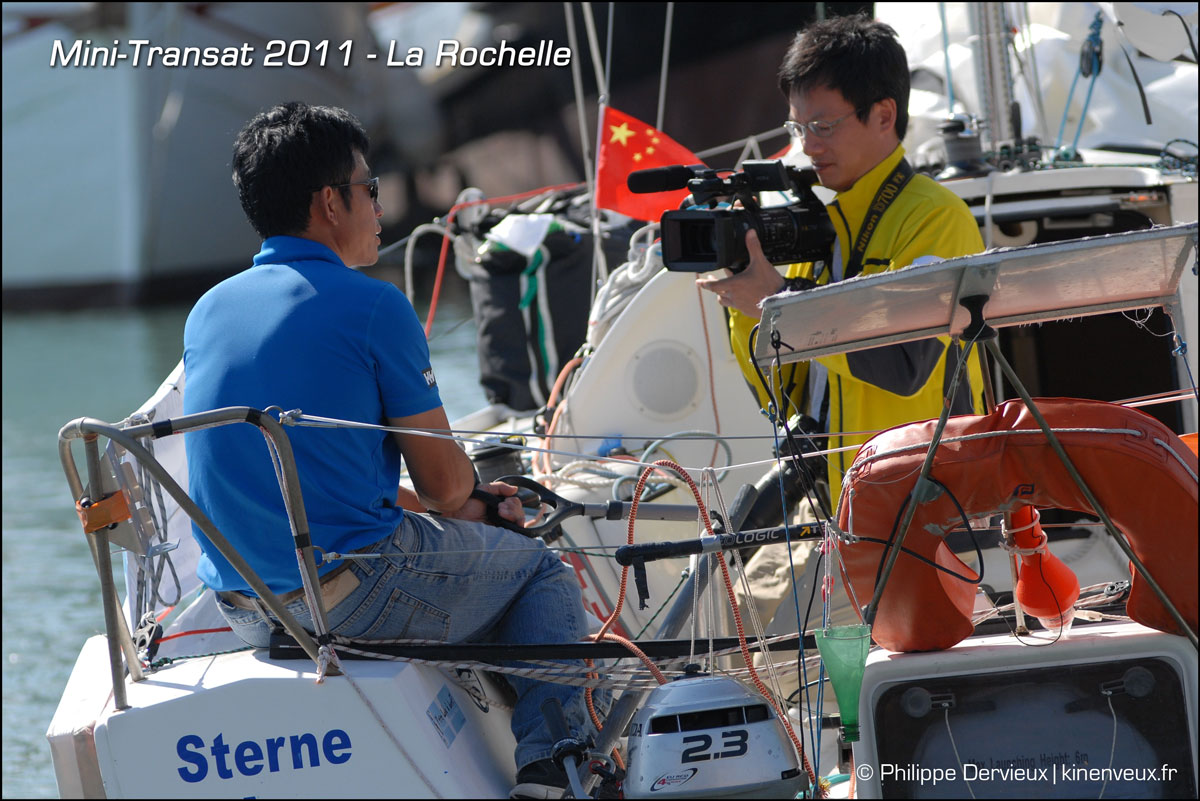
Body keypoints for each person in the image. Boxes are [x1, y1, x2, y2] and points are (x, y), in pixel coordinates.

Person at [182, 101, 602, 799]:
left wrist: (458, 512)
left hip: (247, 605)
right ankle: (552, 772)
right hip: (347, 600)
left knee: (463, 548)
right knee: (537, 573)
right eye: (370, 189)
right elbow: (442, 487)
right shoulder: (372, 305)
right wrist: (472, 504)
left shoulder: (209, 309)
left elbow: (324, 486)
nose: (380, 207)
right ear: (329, 203)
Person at [696, 15, 987, 652]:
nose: (808, 146)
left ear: (884, 116)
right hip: (844, 508)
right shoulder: (816, 229)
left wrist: (779, 299)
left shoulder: (935, 219)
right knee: (749, 650)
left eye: (823, 126)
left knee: (917, 692)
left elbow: (907, 364)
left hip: (927, 510)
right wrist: (747, 298)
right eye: (799, 128)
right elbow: (782, 395)